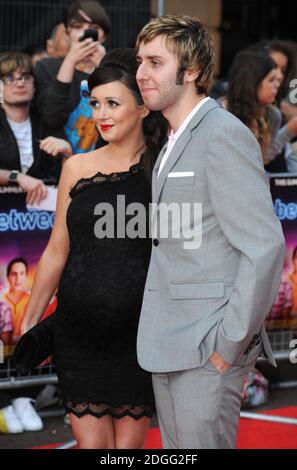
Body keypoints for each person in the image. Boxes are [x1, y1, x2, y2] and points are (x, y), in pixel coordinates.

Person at [135, 14, 285, 449]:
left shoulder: (222, 135)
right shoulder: (172, 139)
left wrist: (229, 344)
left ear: (193, 70)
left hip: (206, 345)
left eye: (155, 62)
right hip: (169, 339)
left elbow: (263, 247)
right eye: (141, 61)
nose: (142, 72)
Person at [22, 48, 168, 449]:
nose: (101, 114)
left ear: (142, 108)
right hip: (79, 333)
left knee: (127, 452)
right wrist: (31, 319)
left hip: (139, 336)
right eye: (96, 104)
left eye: (113, 103)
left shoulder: (164, 168)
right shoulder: (77, 168)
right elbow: (56, 251)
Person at [34, 0, 110, 154]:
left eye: (94, 28)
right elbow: (52, 116)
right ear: (68, 33)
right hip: (58, 162)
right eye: (77, 27)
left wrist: (104, 67)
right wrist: (70, 61)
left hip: (103, 161)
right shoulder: (47, 67)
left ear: (103, 36)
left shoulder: (114, 67)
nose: (85, 32)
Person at [0, 52, 72, 205]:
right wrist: (16, 176)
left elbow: (69, 183)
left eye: (25, 77)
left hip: (43, 216)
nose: (19, 83)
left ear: (34, 84)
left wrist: (67, 153)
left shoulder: (47, 120)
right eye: (8, 78)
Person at [224, 51, 297, 172]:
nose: (277, 84)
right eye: (271, 80)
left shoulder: (273, 115)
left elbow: (262, 159)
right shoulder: (221, 111)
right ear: (252, 83)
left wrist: (289, 130)